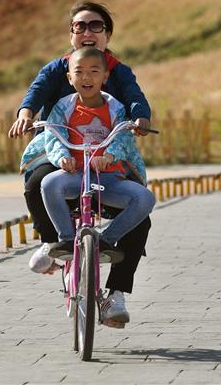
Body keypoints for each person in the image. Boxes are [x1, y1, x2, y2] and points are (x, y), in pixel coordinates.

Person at [8, 0, 151, 328]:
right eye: (80, 26)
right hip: (63, 152)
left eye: (95, 26)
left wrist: (141, 117)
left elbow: (134, 98)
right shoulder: (58, 68)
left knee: (140, 219)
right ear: (71, 35)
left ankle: (115, 293)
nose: (87, 32)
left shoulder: (119, 71)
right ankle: (53, 241)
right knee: (37, 181)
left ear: (107, 34)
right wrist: (26, 114)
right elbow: (36, 94)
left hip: (107, 157)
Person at [37, 47, 155, 310]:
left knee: (144, 198)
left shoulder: (116, 108)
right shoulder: (63, 107)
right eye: (79, 72)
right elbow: (52, 135)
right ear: (69, 78)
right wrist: (62, 158)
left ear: (105, 77)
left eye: (94, 72)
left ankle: (106, 240)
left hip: (107, 178)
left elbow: (124, 136)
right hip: (75, 176)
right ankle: (65, 238)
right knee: (48, 184)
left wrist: (110, 156)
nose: (86, 77)